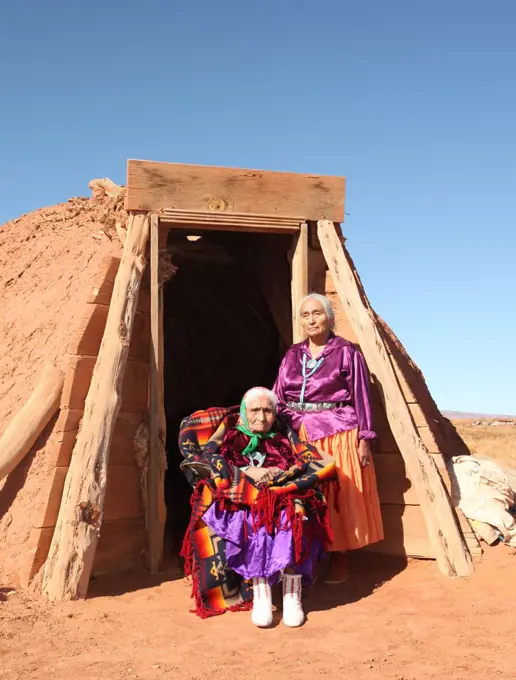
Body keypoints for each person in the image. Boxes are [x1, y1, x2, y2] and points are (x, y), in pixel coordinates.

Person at [179, 387, 336, 627]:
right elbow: (218, 465)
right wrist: (246, 473)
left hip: (280, 492)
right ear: (243, 412)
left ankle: (291, 594)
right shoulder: (231, 437)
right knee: (255, 519)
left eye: (267, 411)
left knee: (292, 516)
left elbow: (301, 462)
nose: (261, 418)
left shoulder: (282, 437)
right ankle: (262, 593)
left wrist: (281, 475)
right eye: (255, 410)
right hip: (244, 495)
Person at [273, 293, 384, 584]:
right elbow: (278, 395)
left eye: (317, 314)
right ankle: (306, 556)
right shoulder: (292, 355)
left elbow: (362, 396)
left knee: (338, 496)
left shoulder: (347, 352)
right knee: (303, 495)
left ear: (329, 318)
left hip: (337, 432)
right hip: (300, 433)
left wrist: (365, 438)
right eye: (306, 315)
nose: (311, 320)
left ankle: (341, 557)